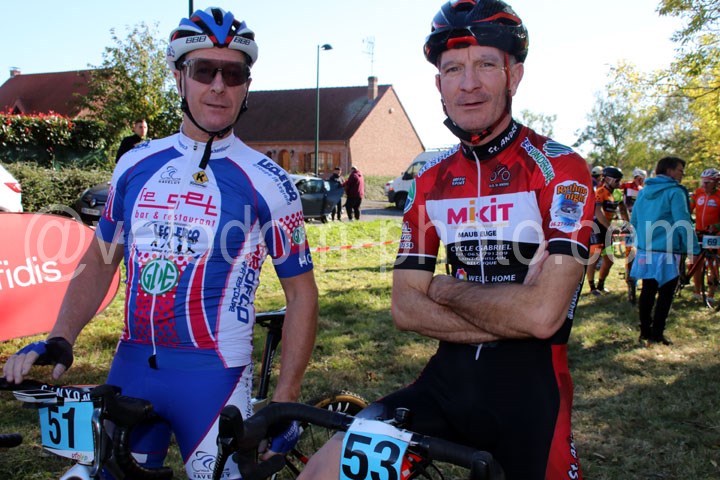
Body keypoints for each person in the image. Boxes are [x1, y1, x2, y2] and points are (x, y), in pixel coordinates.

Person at [3, 8, 318, 479]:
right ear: (179, 77)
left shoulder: (268, 181)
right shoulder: (135, 163)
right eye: (204, 70)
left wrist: (284, 400)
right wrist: (61, 337)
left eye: (233, 74)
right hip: (131, 367)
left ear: (246, 86)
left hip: (215, 377)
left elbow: (301, 293)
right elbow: (100, 261)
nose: (219, 86)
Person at [300, 1, 592, 479]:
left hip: (530, 402)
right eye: (453, 68)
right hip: (442, 389)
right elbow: (405, 309)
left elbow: (543, 317)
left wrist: (442, 288)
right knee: (323, 470)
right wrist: (514, 311)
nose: (468, 83)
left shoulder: (559, 168)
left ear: (514, 76)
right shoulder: (430, 179)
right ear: (439, 84)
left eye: (486, 65)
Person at [630, 156, 698, 345]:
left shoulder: (643, 192)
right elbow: (683, 221)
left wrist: (641, 241)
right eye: (680, 170)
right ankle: (657, 333)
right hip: (668, 250)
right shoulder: (675, 192)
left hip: (646, 249)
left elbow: (634, 220)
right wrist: (693, 248)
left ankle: (645, 331)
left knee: (648, 290)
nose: (682, 174)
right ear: (669, 170)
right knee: (666, 294)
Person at [587, 166, 629, 295]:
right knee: (594, 257)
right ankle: (592, 287)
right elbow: (598, 212)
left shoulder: (617, 193)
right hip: (596, 227)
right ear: (608, 179)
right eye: (617, 180)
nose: (619, 183)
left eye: (620, 180)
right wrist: (610, 228)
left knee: (609, 259)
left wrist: (627, 224)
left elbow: (623, 209)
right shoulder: (600, 192)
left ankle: (601, 285)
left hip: (607, 227)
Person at [688, 168, 720, 302]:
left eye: (708, 182)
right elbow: (689, 207)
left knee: (713, 264)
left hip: (714, 235)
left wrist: (717, 226)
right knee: (695, 262)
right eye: (703, 182)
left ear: (716, 183)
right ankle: (697, 291)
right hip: (699, 232)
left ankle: (711, 294)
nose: (704, 185)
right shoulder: (699, 193)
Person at [620, 167, 647, 303]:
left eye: (641, 179)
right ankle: (630, 282)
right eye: (637, 178)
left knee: (643, 253)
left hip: (642, 226)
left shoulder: (645, 190)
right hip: (629, 225)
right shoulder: (626, 187)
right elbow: (621, 204)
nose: (639, 180)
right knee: (630, 253)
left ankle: (640, 281)